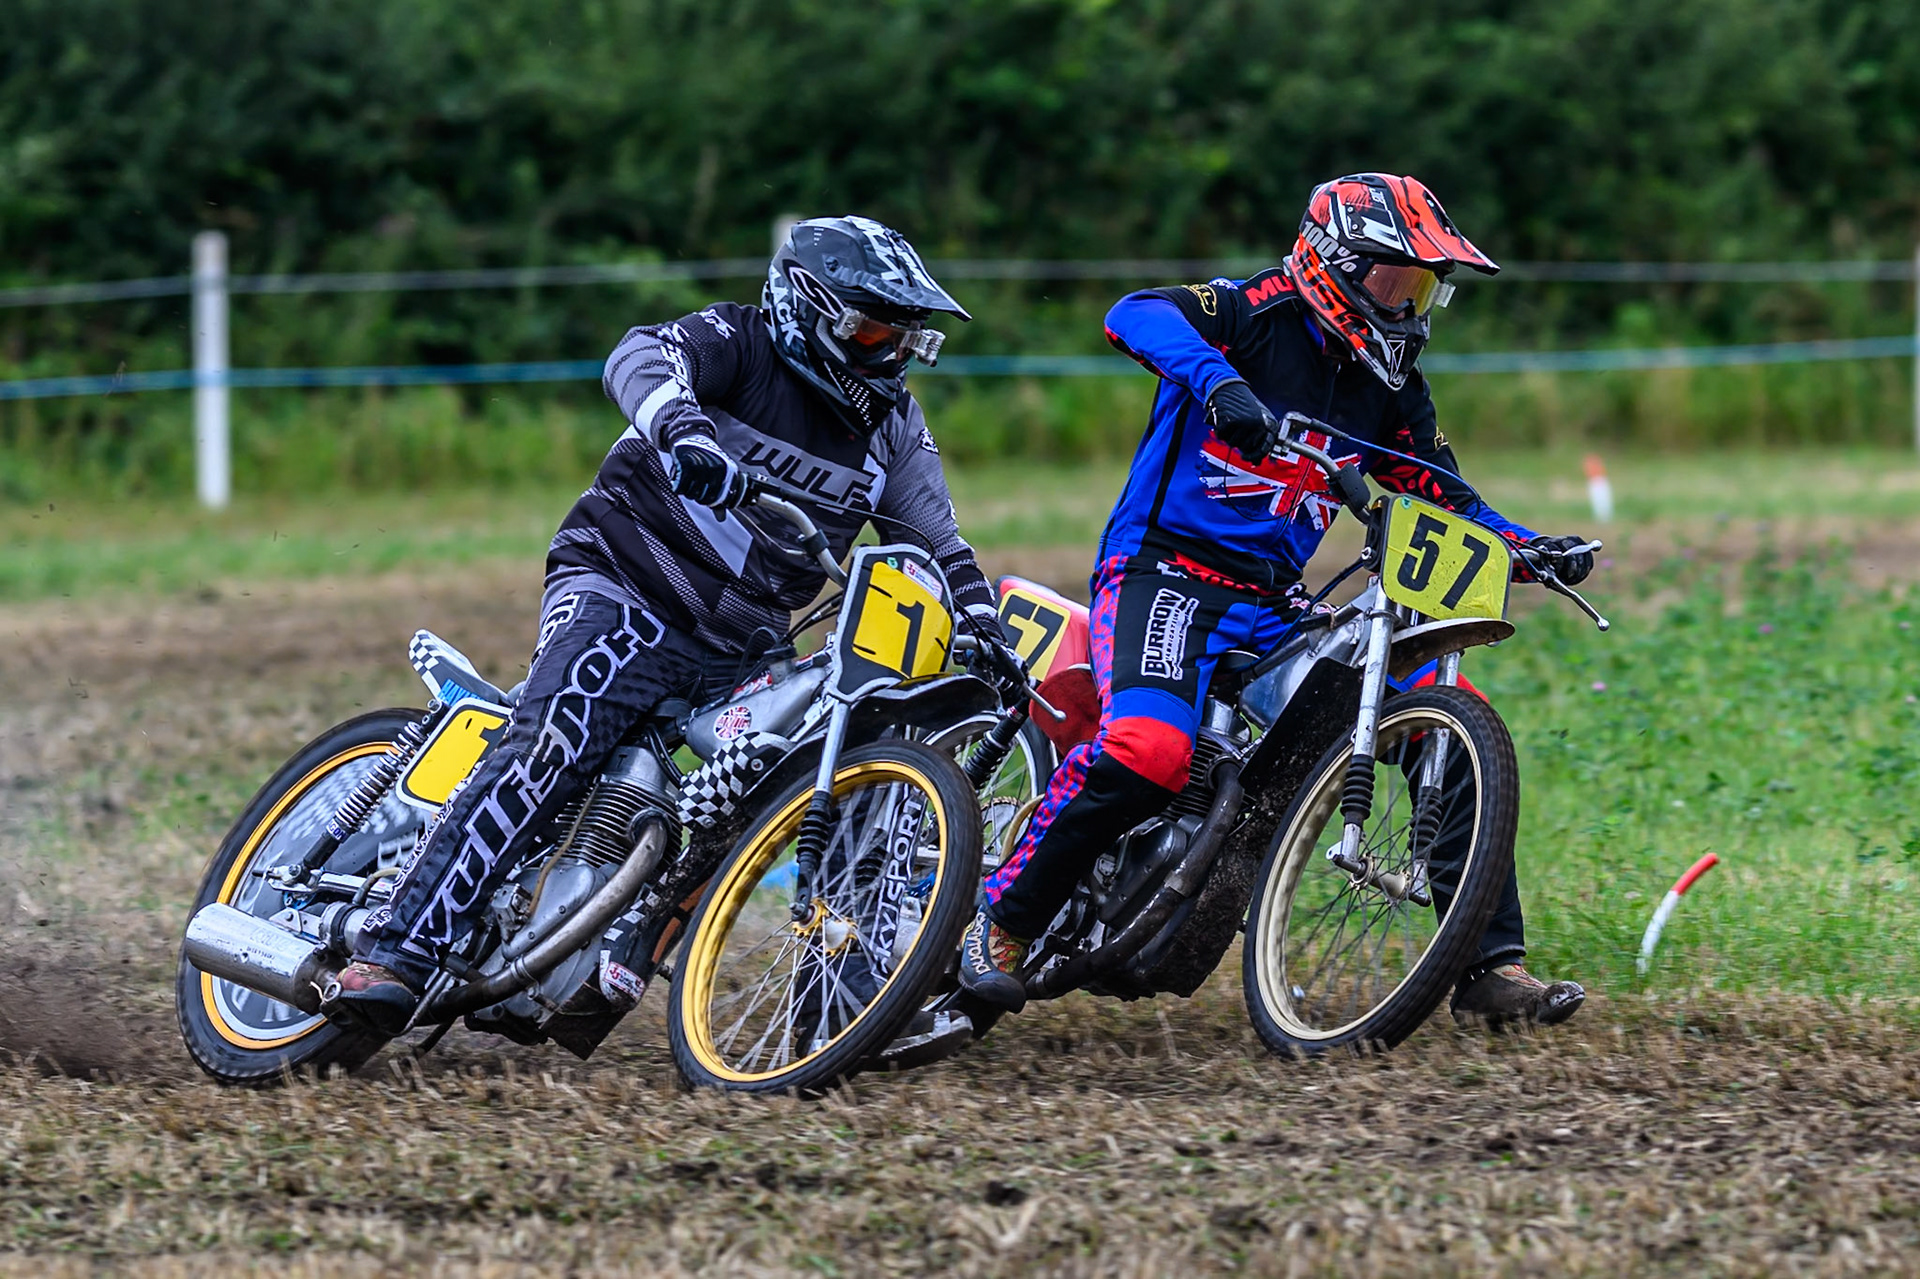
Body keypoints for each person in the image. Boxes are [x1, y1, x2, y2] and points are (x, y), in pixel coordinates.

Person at [329, 215, 1018, 1035]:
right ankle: (396, 946)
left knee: (773, 781)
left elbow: (936, 539)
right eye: (875, 329)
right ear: (809, 306)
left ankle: (801, 987)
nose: (894, 354)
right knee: (557, 735)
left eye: (907, 337)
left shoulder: (894, 425)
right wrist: (684, 431)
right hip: (625, 581)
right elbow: (638, 354)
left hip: (744, 641)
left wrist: (983, 625)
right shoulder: (738, 340)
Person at [959, 173, 1595, 1028]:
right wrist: (1220, 385)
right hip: (1163, 575)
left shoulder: (1392, 384)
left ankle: (1488, 964)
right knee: (1149, 748)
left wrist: (1531, 548)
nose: (1409, 307)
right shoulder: (1255, 309)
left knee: (1445, 719)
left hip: (1273, 604)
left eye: (1423, 288)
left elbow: (1445, 495)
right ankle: (998, 922)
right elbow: (1135, 312)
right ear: (1334, 264)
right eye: (1396, 282)